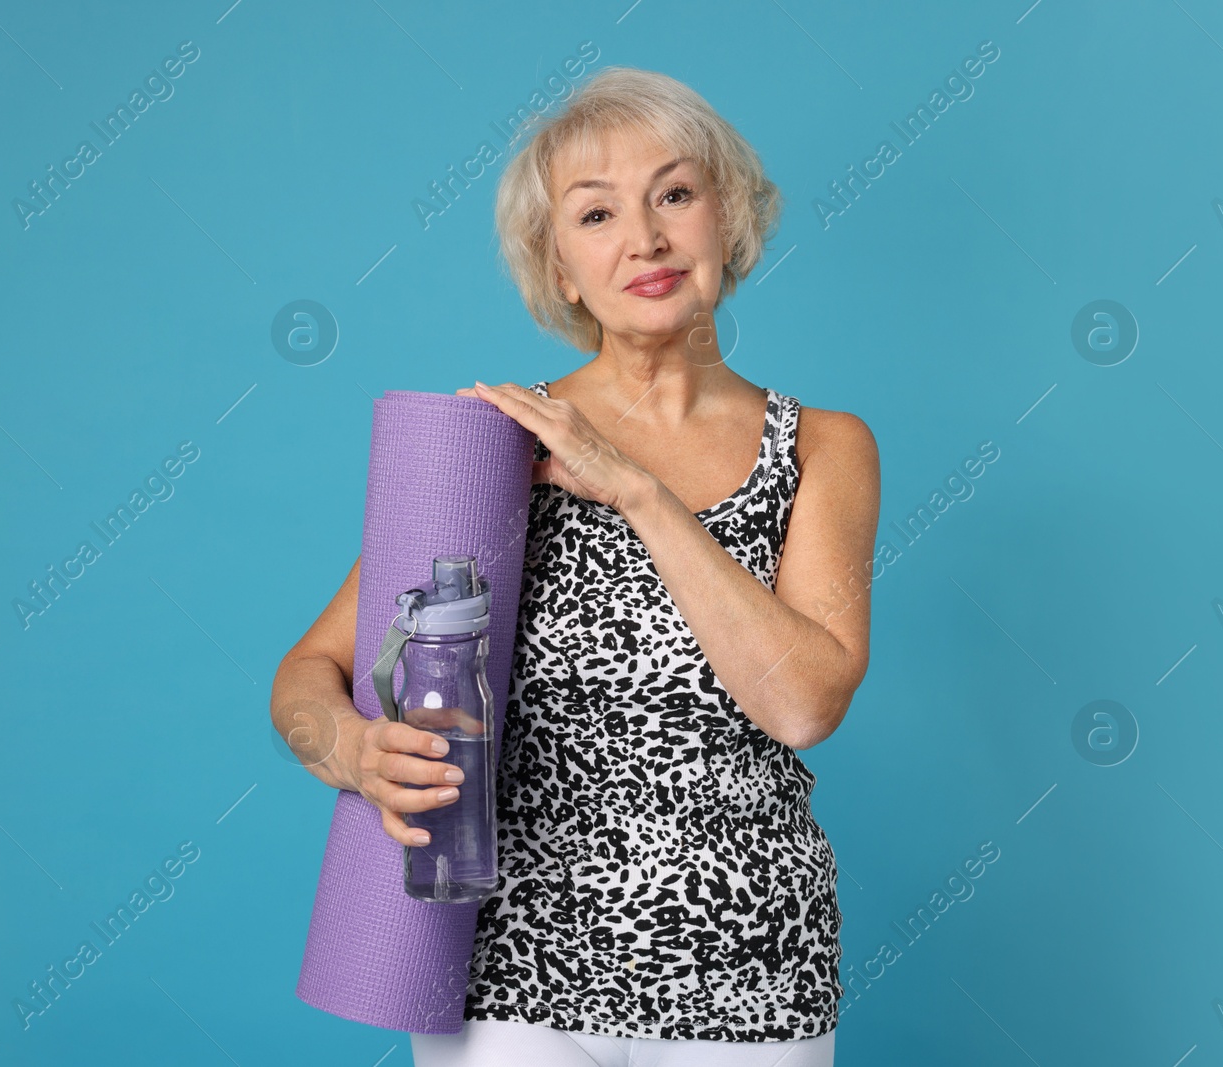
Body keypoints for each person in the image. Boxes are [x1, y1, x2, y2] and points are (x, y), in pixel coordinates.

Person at [271, 66, 879, 1067]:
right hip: (505, 973)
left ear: (728, 219)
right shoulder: (493, 440)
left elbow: (805, 702)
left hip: (747, 964)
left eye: (675, 194)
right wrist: (347, 747)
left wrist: (635, 489)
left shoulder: (821, 445)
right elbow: (305, 676)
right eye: (595, 214)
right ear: (559, 267)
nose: (643, 238)